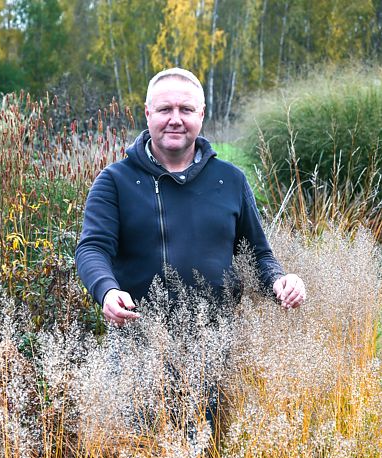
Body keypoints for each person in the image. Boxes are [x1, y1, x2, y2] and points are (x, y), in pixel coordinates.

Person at [75, 67, 306, 327]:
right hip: (138, 343)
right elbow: (92, 249)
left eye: (186, 109)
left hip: (217, 344)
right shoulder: (115, 181)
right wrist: (107, 291)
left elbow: (258, 254)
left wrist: (280, 281)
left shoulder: (230, 180)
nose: (175, 119)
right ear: (148, 113)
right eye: (165, 110)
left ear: (202, 114)